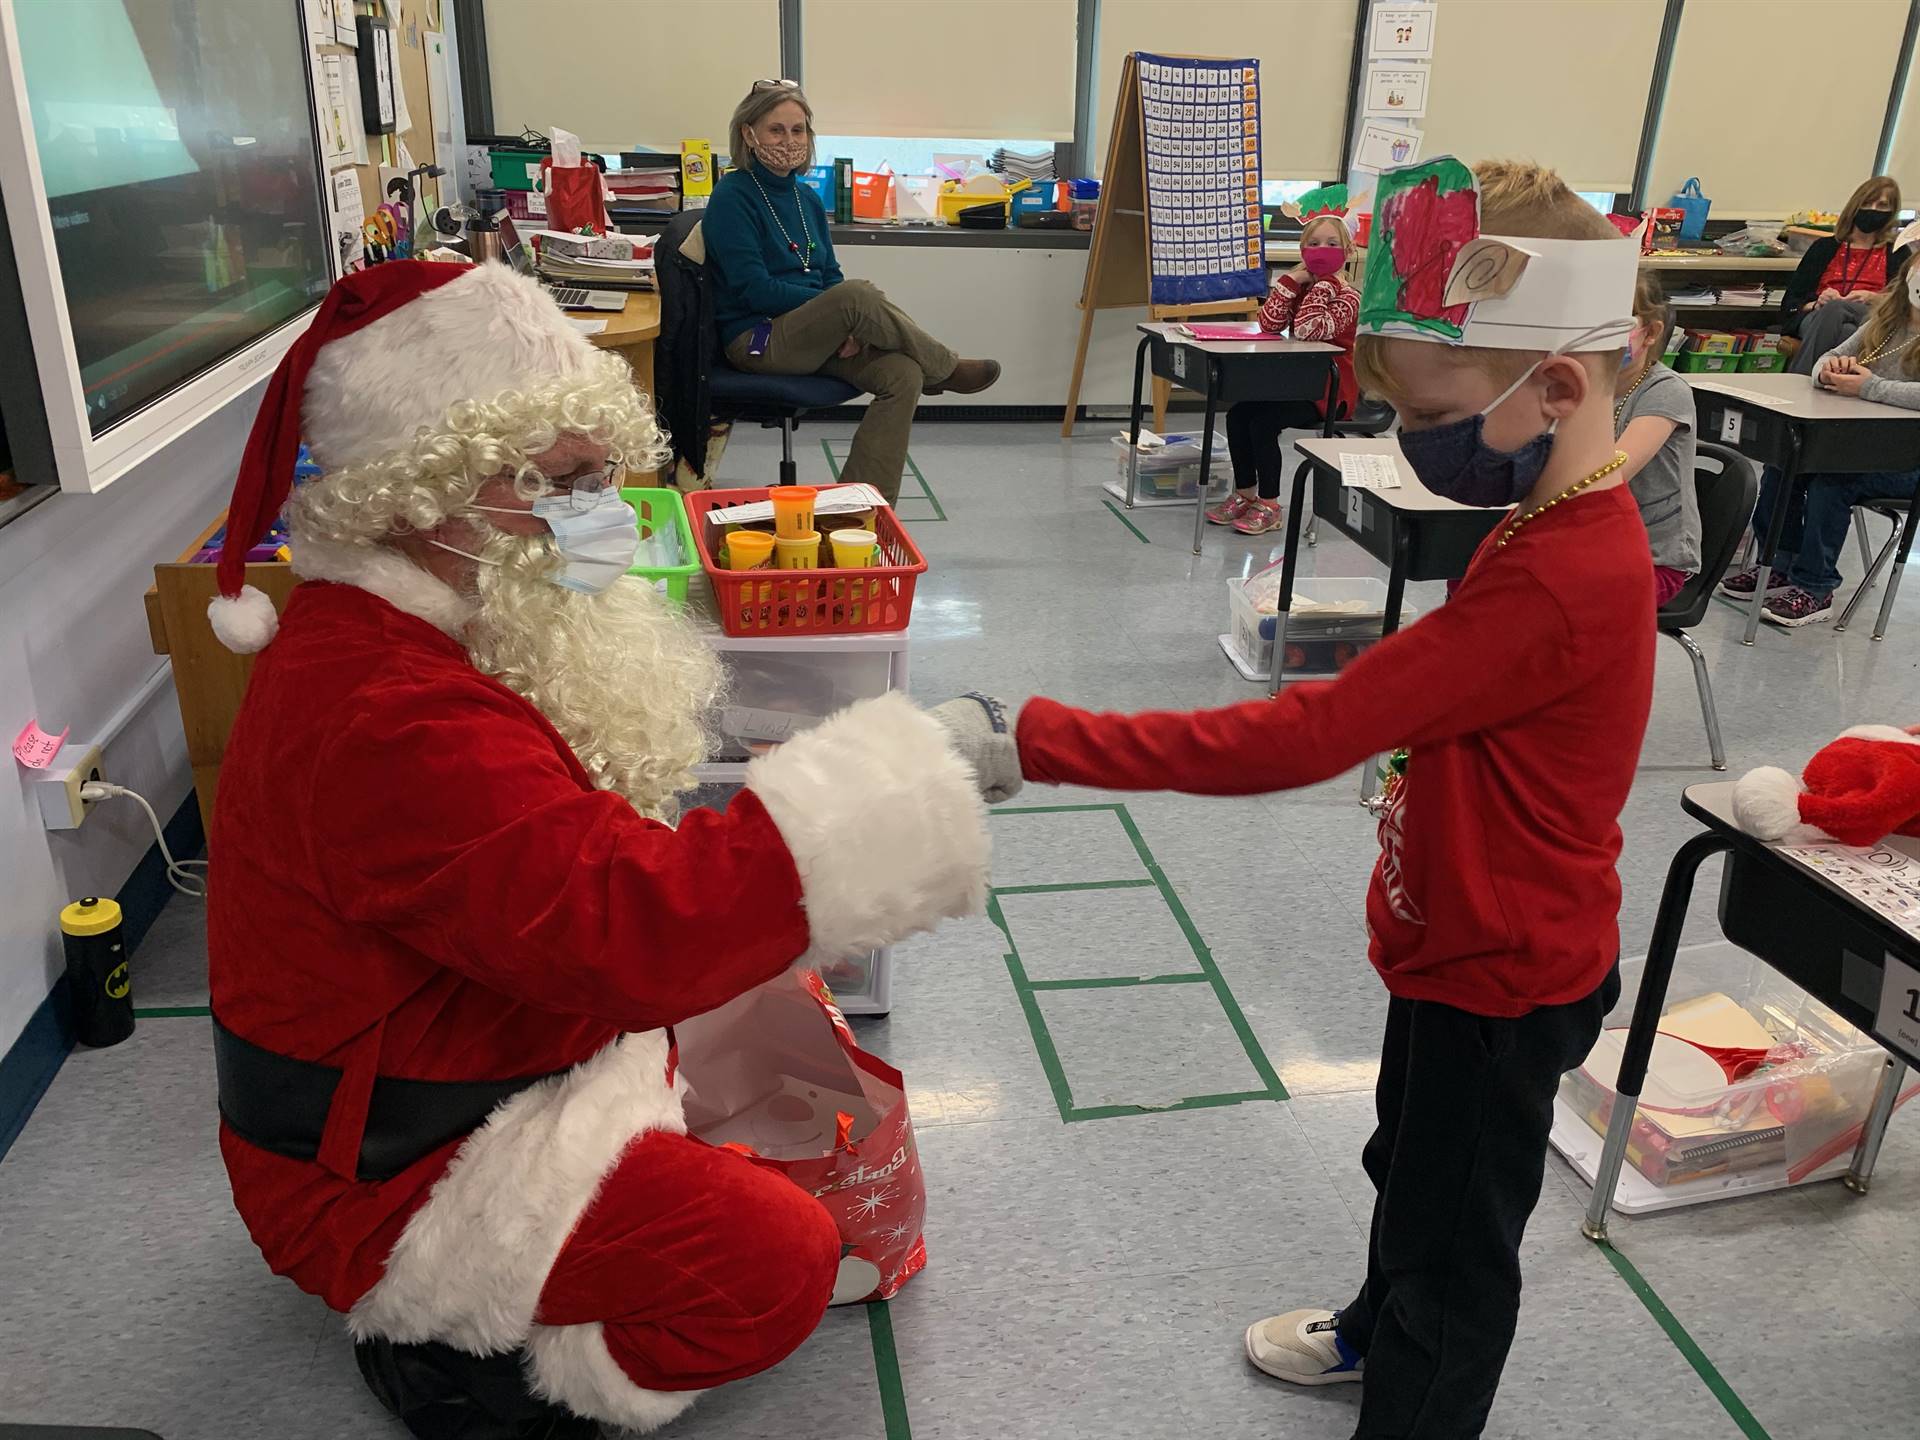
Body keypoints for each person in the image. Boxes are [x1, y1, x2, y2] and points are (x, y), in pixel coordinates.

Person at [201, 260, 1000, 1440]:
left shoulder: (422, 628)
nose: (608, 517)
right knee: (781, 1263)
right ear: (423, 497)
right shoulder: (386, 711)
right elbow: (629, 929)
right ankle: (478, 1365)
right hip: (389, 1168)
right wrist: (892, 787)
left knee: (761, 997)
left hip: (451, 1052)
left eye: (605, 478)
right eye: (569, 483)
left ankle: (545, 1289)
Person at [946, 158, 1650, 1440]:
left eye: (1433, 412)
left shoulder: (1556, 573)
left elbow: (1296, 737)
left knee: (1453, 1247)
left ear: (1555, 386)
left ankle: (1410, 1394)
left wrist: (1033, 739)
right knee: (1412, 1170)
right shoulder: (1555, 515)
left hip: (1501, 971)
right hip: (1465, 943)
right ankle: (1374, 1337)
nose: (1411, 442)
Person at [701, 79, 1000, 502]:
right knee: (858, 296)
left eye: (798, 130)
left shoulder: (805, 199)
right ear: (748, 134)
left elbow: (829, 276)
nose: (790, 141)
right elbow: (755, 290)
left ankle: (858, 508)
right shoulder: (733, 196)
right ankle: (945, 368)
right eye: (776, 130)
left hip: (813, 335)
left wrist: (846, 324)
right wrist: (839, 311)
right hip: (758, 338)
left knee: (902, 374)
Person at [1723, 275, 1920, 626]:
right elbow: (1826, 358)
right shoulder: (1886, 322)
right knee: (1785, 463)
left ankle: (1815, 586)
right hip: (1862, 446)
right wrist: (1829, 373)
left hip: (1907, 462)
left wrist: (1869, 387)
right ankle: (1778, 564)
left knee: (1832, 479)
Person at [1206, 210, 1360, 535]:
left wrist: (1327, 285)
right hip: (1296, 384)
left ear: (1347, 252)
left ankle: (1270, 504)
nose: (1322, 249)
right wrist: (1290, 282)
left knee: (1263, 423)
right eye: (1314, 243)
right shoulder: (1301, 288)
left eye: (1332, 243)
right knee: (1238, 416)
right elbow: (1269, 324)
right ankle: (1245, 492)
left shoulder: (1349, 297)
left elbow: (1307, 330)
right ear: (1303, 252)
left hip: (1330, 391)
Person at [1614, 273, 1700, 605]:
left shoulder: (1665, 391)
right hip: (1587, 541)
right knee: (1471, 569)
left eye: (1617, 320)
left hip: (1653, 559)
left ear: (1650, 332)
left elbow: (1609, 473)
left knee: (1543, 599)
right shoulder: (1583, 382)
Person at [1779, 175, 1901, 336]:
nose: (1873, 209)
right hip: (1820, 317)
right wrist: (1817, 304)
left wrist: (1872, 298)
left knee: (1847, 327)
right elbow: (1790, 304)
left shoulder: (1897, 252)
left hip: (1870, 320)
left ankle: (1809, 362)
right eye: (1866, 203)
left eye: (1882, 205)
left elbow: (1905, 302)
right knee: (1843, 327)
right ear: (1854, 206)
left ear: (1891, 213)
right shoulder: (1824, 248)